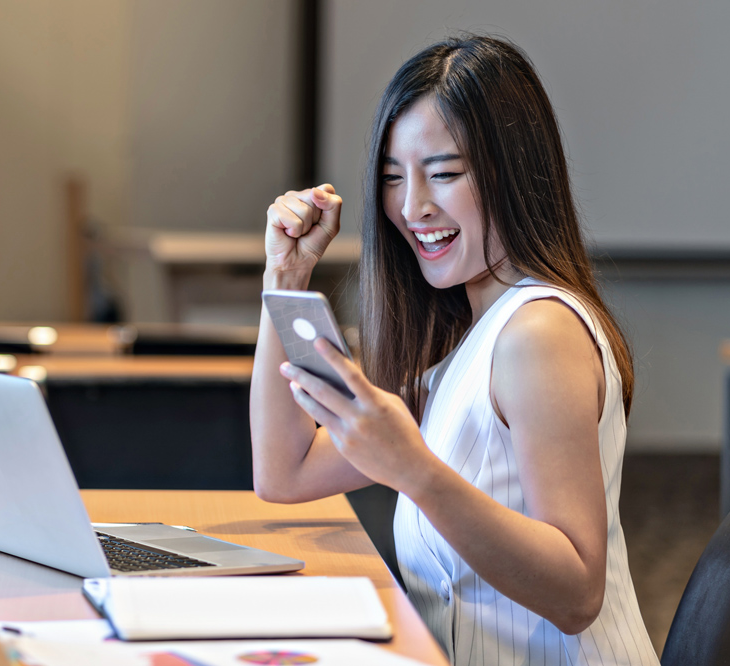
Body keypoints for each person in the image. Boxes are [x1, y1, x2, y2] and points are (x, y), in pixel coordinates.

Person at [250, 35, 659, 665]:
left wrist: (414, 469)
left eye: (443, 173)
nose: (412, 206)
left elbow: (578, 591)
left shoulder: (537, 334)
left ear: (514, 174)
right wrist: (285, 278)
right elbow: (286, 473)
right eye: (393, 178)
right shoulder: (466, 345)